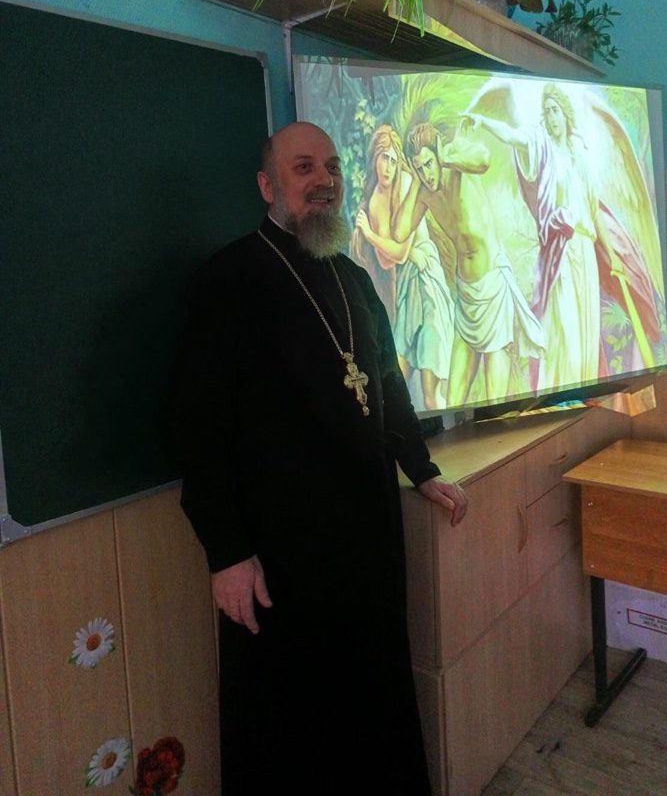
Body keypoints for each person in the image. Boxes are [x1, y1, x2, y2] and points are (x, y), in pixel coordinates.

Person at [171, 121, 467, 796]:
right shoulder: (227, 280)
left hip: (366, 537)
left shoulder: (352, 276)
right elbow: (197, 428)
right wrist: (226, 552)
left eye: (331, 167)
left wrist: (422, 469)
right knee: (289, 725)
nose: (324, 180)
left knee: (374, 701)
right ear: (267, 185)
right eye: (303, 167)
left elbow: (384, 382)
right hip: (281, 552)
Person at [467, 82, 660, 391]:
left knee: (586, 325)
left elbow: (594, 213)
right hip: (562, 250)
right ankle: (560, 385)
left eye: (555, 110)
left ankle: (582, 384)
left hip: (585, 249)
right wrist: (484, 122)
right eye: (547, 112)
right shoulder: (542, 150)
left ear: (566, 115)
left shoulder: (579, 159)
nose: (551, 117)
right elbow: (513, 136)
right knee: (565, 324)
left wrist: (613, 258)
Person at [393, 120, 544, 408]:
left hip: (493, 291)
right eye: (419, 168)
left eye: (428, 164)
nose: (426, 174)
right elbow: (399, 232)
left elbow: (483, 159)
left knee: (495, 401)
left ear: (438, 156)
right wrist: (414, 182)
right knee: (454, 402)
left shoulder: (456, 164)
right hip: (466, 298)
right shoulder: (425, 193)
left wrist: (446, 157)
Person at [351, 124, 454, 411]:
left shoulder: (407, 183)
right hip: (407, 284)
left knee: (430, 379)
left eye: (394, 161)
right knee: (397, 375)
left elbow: (400, 250)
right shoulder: (374, 201)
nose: (388, 167)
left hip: (426, 277)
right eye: (384, 158)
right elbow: (388, 260)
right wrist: (383, 244)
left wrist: (371, 235)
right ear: (375, 158)